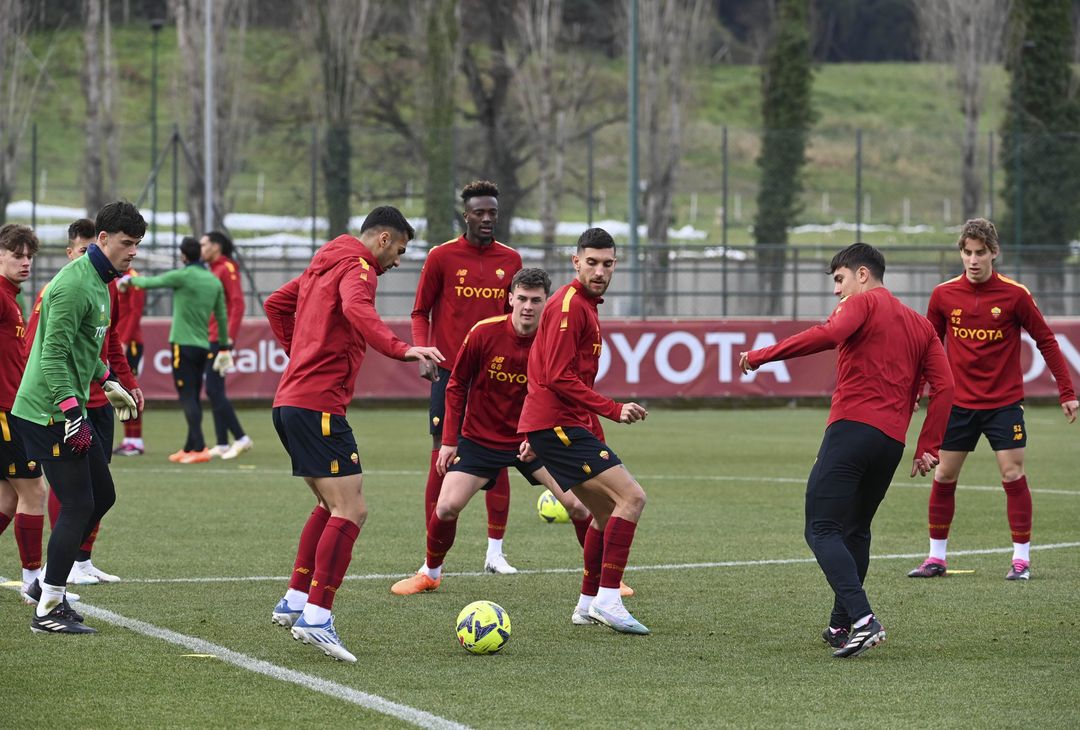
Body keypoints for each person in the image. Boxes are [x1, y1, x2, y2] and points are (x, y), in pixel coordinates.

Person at [739, 242, 955, 658]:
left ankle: (863, 618)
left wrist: (760, 356)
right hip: (891, 442)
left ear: (862, 274)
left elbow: (829, 333)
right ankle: (841, 624)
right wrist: (928, 444)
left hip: (852, 429)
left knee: (820, 528)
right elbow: (945, 388)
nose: (836, 291)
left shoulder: (864, 303)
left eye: (839, 279)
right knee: (855, 530)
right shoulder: (920, 325)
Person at [264, 206, 443, 663]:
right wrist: (403, 349)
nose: (399, 261)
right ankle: (318, 616)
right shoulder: (359, 268)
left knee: (329, 505)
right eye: (400, 250)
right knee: (352, 509)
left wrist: (301, 352)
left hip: (291, 402)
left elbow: (276, 305)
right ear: (383, 239)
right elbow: (357, 309)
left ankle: (297, 599)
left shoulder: (325, 259)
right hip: (317, 404)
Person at [392, 268, 618, 596]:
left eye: (536, 300)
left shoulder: (555, 339)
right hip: (480, 439)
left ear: (547, 302)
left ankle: (603, 581)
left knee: (582, 507)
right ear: (509, 299)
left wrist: (537, 436)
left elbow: (570, 390)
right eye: (522, 298)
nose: (528, 306)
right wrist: (450, 441)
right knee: (445, 507)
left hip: (537, 439)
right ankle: (430, 572)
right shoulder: (484, 333)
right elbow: (456, 386)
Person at [908, 218, 1078, 582]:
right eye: (967, 252)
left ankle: (1021, 560)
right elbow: (929, 349)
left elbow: (1047, 341)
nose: (972, 259)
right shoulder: (943, 295)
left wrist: (1067, 391)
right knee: (944, 474)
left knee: (1012, 474)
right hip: (957, 405)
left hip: (1003, 405)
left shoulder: (1016, 295)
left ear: (994, 253)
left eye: (980, 253)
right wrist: (916, 393)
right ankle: (936, 558)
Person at [10, 201, 143, 634]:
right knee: (79, 502)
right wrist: (71, 411)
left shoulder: (102, 281)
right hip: (45, 412)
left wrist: (109, 380)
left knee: (102, 496)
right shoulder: (72, 285)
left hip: (65, 406)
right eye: (126, 244)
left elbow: (85, 351)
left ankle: (49, 585)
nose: (132, 252)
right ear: (101, 240)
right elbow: (50, 355)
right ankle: (48, 606)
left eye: (137, 245)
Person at [518, 228, 651, 635]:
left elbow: (543, 369)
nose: (599, 270)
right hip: (558, 425)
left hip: (556, 425)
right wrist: (611, 409)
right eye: (591, 262)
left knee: (604, 512)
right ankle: (610, 599)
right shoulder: (569, 306)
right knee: (632, 497)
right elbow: (558, 376)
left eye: (607, 263)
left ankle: (588, 603)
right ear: (575, 262)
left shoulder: (584, 306)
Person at [411, 180, 523, 574]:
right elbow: (419, 311)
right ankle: (430, 561)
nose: (488, 218)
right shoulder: (441, 257)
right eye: (480, 212)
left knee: (501, 458)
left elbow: (519, 317)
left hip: (497, 375)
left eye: (493, 212)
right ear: (467, 214)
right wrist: (424, 350)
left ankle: (495, 552)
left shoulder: (511, 259)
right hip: (449, 374)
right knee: (440, 458)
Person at [121, 236, 232, 464]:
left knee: (187, 396)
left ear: (183, 255)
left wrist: (129, 282)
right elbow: (221, 316)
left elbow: (151, 282)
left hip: (182, 344)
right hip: (204, 346)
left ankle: (199, 446)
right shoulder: (213, 281)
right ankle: (190, 445)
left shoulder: (183, 275)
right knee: (194, 394)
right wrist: (223, 345)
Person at [0, 224, 47, 604]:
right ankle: (35, 583)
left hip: (11, 409)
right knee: (35, 492)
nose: (26, 262)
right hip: (5, 412)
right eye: (17, 254)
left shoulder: (11, 298)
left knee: (7, 501)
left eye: (29, 255)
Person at [200, 230, 251, 460]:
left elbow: (238, 304)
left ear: (216, 246)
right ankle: (222, 443)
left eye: (205, 245)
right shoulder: (214, 269)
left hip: (220, 339)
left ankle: (241, 438)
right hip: (211, 336)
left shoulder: (227, 268)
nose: (201, 249)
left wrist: (228, 339)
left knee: (213, 389)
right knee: (214, 389)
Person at [113, 251, 147, 457]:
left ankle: (136, 440)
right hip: (121, 341)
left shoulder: (134, 280)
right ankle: (129, 439)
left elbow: (135, 312)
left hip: (131, 343)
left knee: (130, 389)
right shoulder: (118, 279)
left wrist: (124, 340)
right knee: (121, 391)